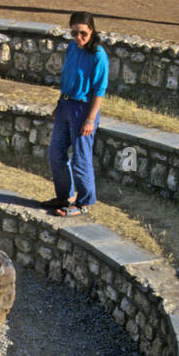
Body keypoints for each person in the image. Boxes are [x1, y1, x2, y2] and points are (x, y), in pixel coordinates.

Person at [43, 12, 108, 216]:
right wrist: (59, 104)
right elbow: (67, 78)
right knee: (55, 153)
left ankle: (84, 202)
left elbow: (99, 90)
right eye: (74, 33)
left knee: (81, 158)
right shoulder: (71, 48)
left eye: (83, 33)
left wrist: (90, 119)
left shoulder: (98, 55)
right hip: (66, 105)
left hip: (84, 109)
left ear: (91, 31)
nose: (78, 37)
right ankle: (65, 196)